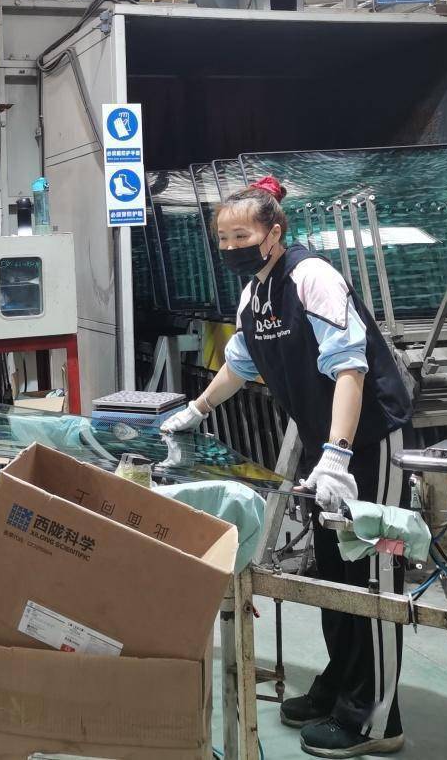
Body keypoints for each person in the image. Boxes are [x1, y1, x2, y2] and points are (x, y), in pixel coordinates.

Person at [161, 176, 413, 759]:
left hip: (368, 441)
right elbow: (240, 365)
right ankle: (341, 684)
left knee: (371, 574)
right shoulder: (255, 294)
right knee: (333, 571)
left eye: (242, 236)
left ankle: (376, 719)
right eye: (223, 239)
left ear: (274, 232)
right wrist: (195, 411)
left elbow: (349, 369)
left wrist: (339, 453)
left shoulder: (311, 277)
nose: (231, 248)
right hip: (326, 449)